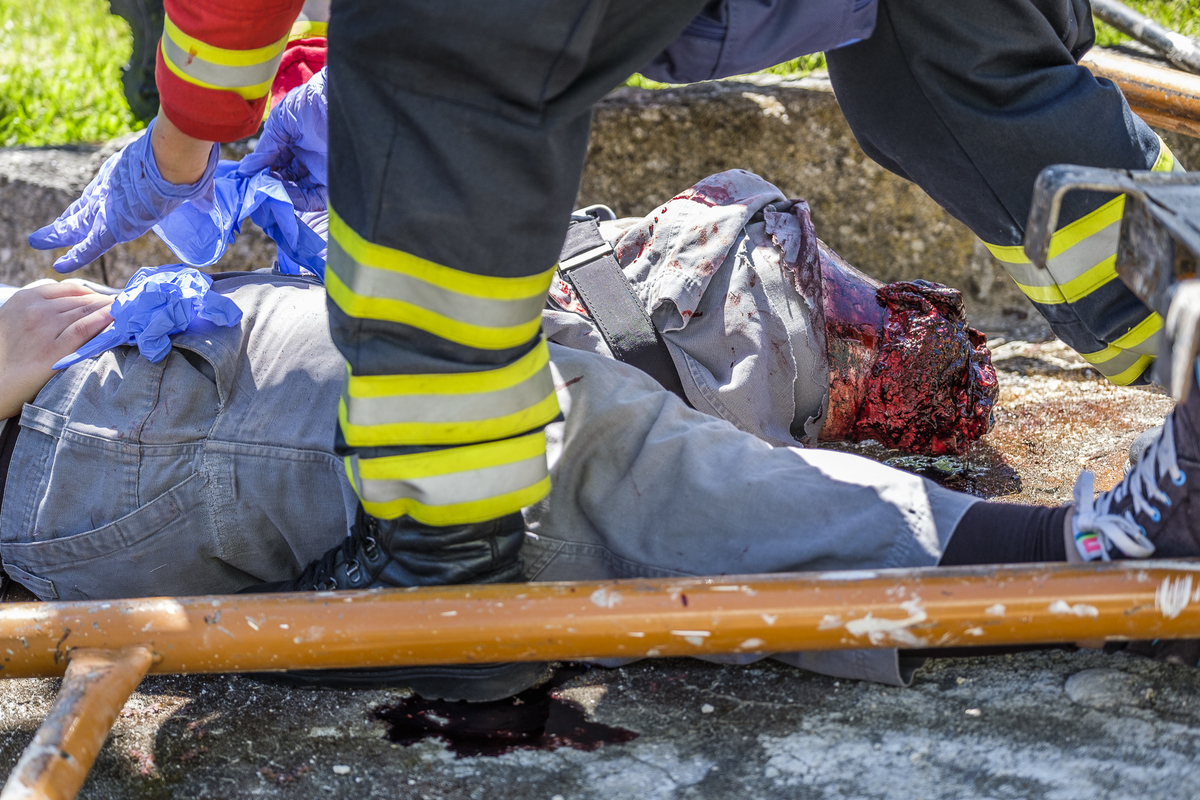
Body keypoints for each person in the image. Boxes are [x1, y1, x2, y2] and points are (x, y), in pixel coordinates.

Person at [25, 0, 1186, 699]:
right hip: (85, 418)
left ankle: (446, 576)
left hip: (97, 414)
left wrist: (186, 138)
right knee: (965, 84)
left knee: (446, 109)